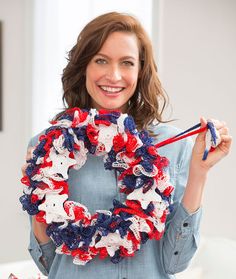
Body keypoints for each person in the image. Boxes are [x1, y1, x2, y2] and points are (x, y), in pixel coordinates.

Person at [21, 12, 232, 279]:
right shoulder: (48, 147)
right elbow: (48, 264)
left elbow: (175, 263)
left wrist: (199, 174)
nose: (114, 75)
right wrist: (37, 192)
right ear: (84, 66)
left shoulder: (171, 145)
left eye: (127, 63)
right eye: (101, 60)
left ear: (140, 70)